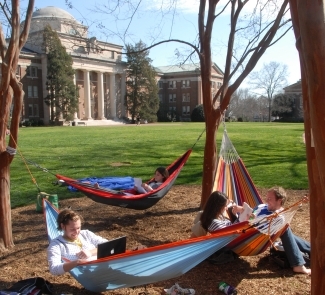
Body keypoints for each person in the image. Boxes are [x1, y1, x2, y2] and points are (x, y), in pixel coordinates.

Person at [232, 187, 311, 275]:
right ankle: (299, 263)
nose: (267, 201)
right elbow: (251, 216)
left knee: (284, 227)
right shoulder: (261, 206)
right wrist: (243, 211)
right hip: (244, 237)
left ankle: (311, 252)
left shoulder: (280, 216)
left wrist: (299, 204)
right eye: (267, 198)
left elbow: (264, 228)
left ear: (279, 201)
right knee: (285, 228)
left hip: (257, 236)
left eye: (270, 199)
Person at [47, 208, 109, 275]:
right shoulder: (57, 245)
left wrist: (91, 252)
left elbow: (109, 245)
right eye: (72, 229)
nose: (76, 232)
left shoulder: (85, 234)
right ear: (63, 226)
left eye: (78, 228)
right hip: (89, 275)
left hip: (105, 266)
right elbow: (54, 270)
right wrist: (77, 262)